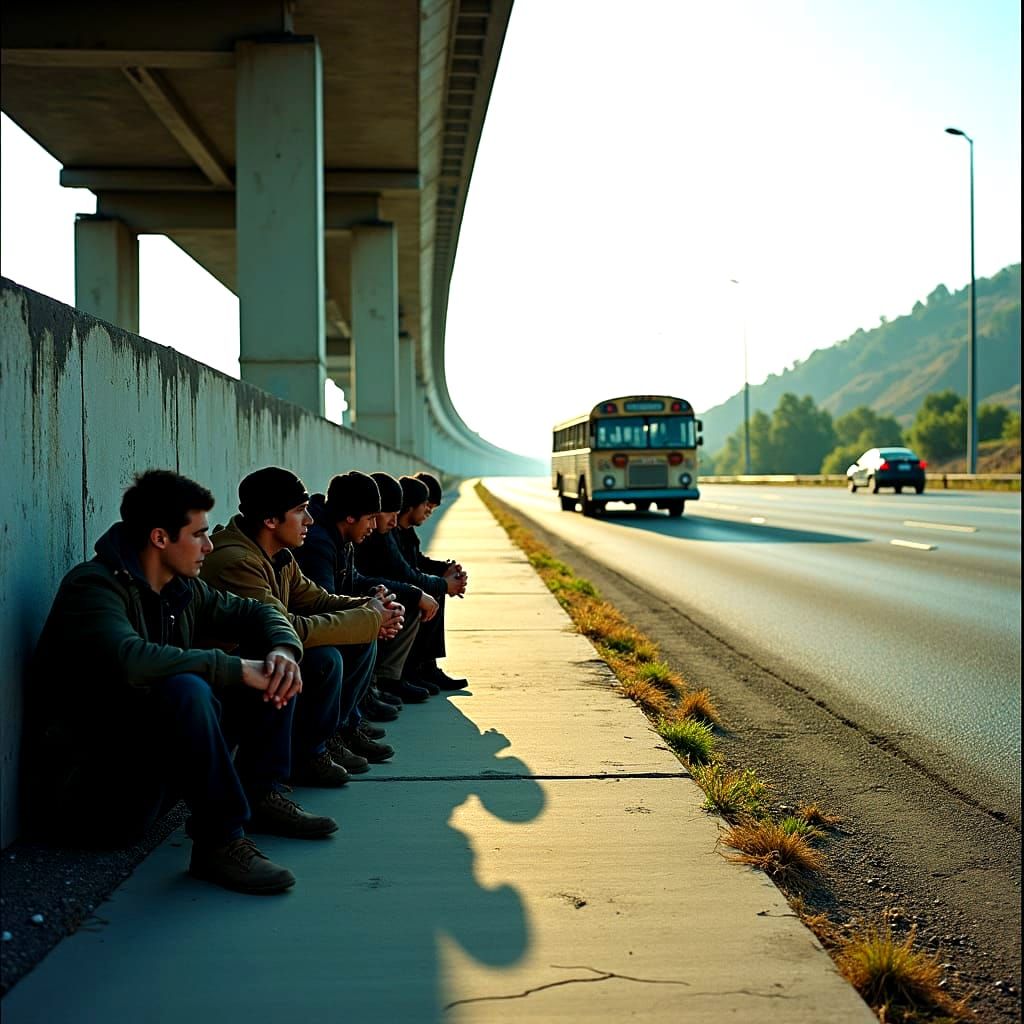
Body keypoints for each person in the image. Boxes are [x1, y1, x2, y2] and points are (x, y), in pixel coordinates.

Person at [27, 469, 335, 896]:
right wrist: (235, 668)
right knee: (191, 686)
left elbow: (258, 613)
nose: (209, 546)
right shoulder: (92, 588)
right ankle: (219, 842)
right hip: (93, 797)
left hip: (148, 775)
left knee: (265, 668)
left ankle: (259, 797)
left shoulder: (181, 589)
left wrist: (283, 651)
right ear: (159, 538)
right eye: (199, 534)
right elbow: (131, 659)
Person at [201, 467, 399, 775]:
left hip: (262, 658)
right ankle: (295, 763)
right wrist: (370, 618)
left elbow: (318, 600)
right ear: (270, 520)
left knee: (360, 638)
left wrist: (372, 606)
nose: (309, 520)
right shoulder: (237, 561)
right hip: (229, 674)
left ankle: (326, 739)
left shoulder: (279, 554)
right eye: (300, 512)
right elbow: (286, 627)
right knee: (325, 659)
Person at [294, 470, 419, 747]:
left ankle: (348, 722)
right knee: (357, 640)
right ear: (350, 517)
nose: (374, 526)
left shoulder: (341, 537)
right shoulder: (318, 543)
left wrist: (373, 598)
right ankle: (332, 736)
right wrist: (369, 614)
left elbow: (352, 583)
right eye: (370, 518)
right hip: (302, 631)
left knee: (378, 619)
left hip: (317, 621)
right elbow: (320, 603)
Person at [358, 474, 468, 692]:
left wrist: (444, 571)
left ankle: (424, 666)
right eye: (426, 507)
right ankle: (397, 675)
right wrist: (444, 584)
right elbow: (406, 574)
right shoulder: (385, 534)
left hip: (379, 590)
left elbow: (415, 564)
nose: (428, 512)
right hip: (373, 595)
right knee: (423, 594)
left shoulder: (401, 532)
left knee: (431, 589)